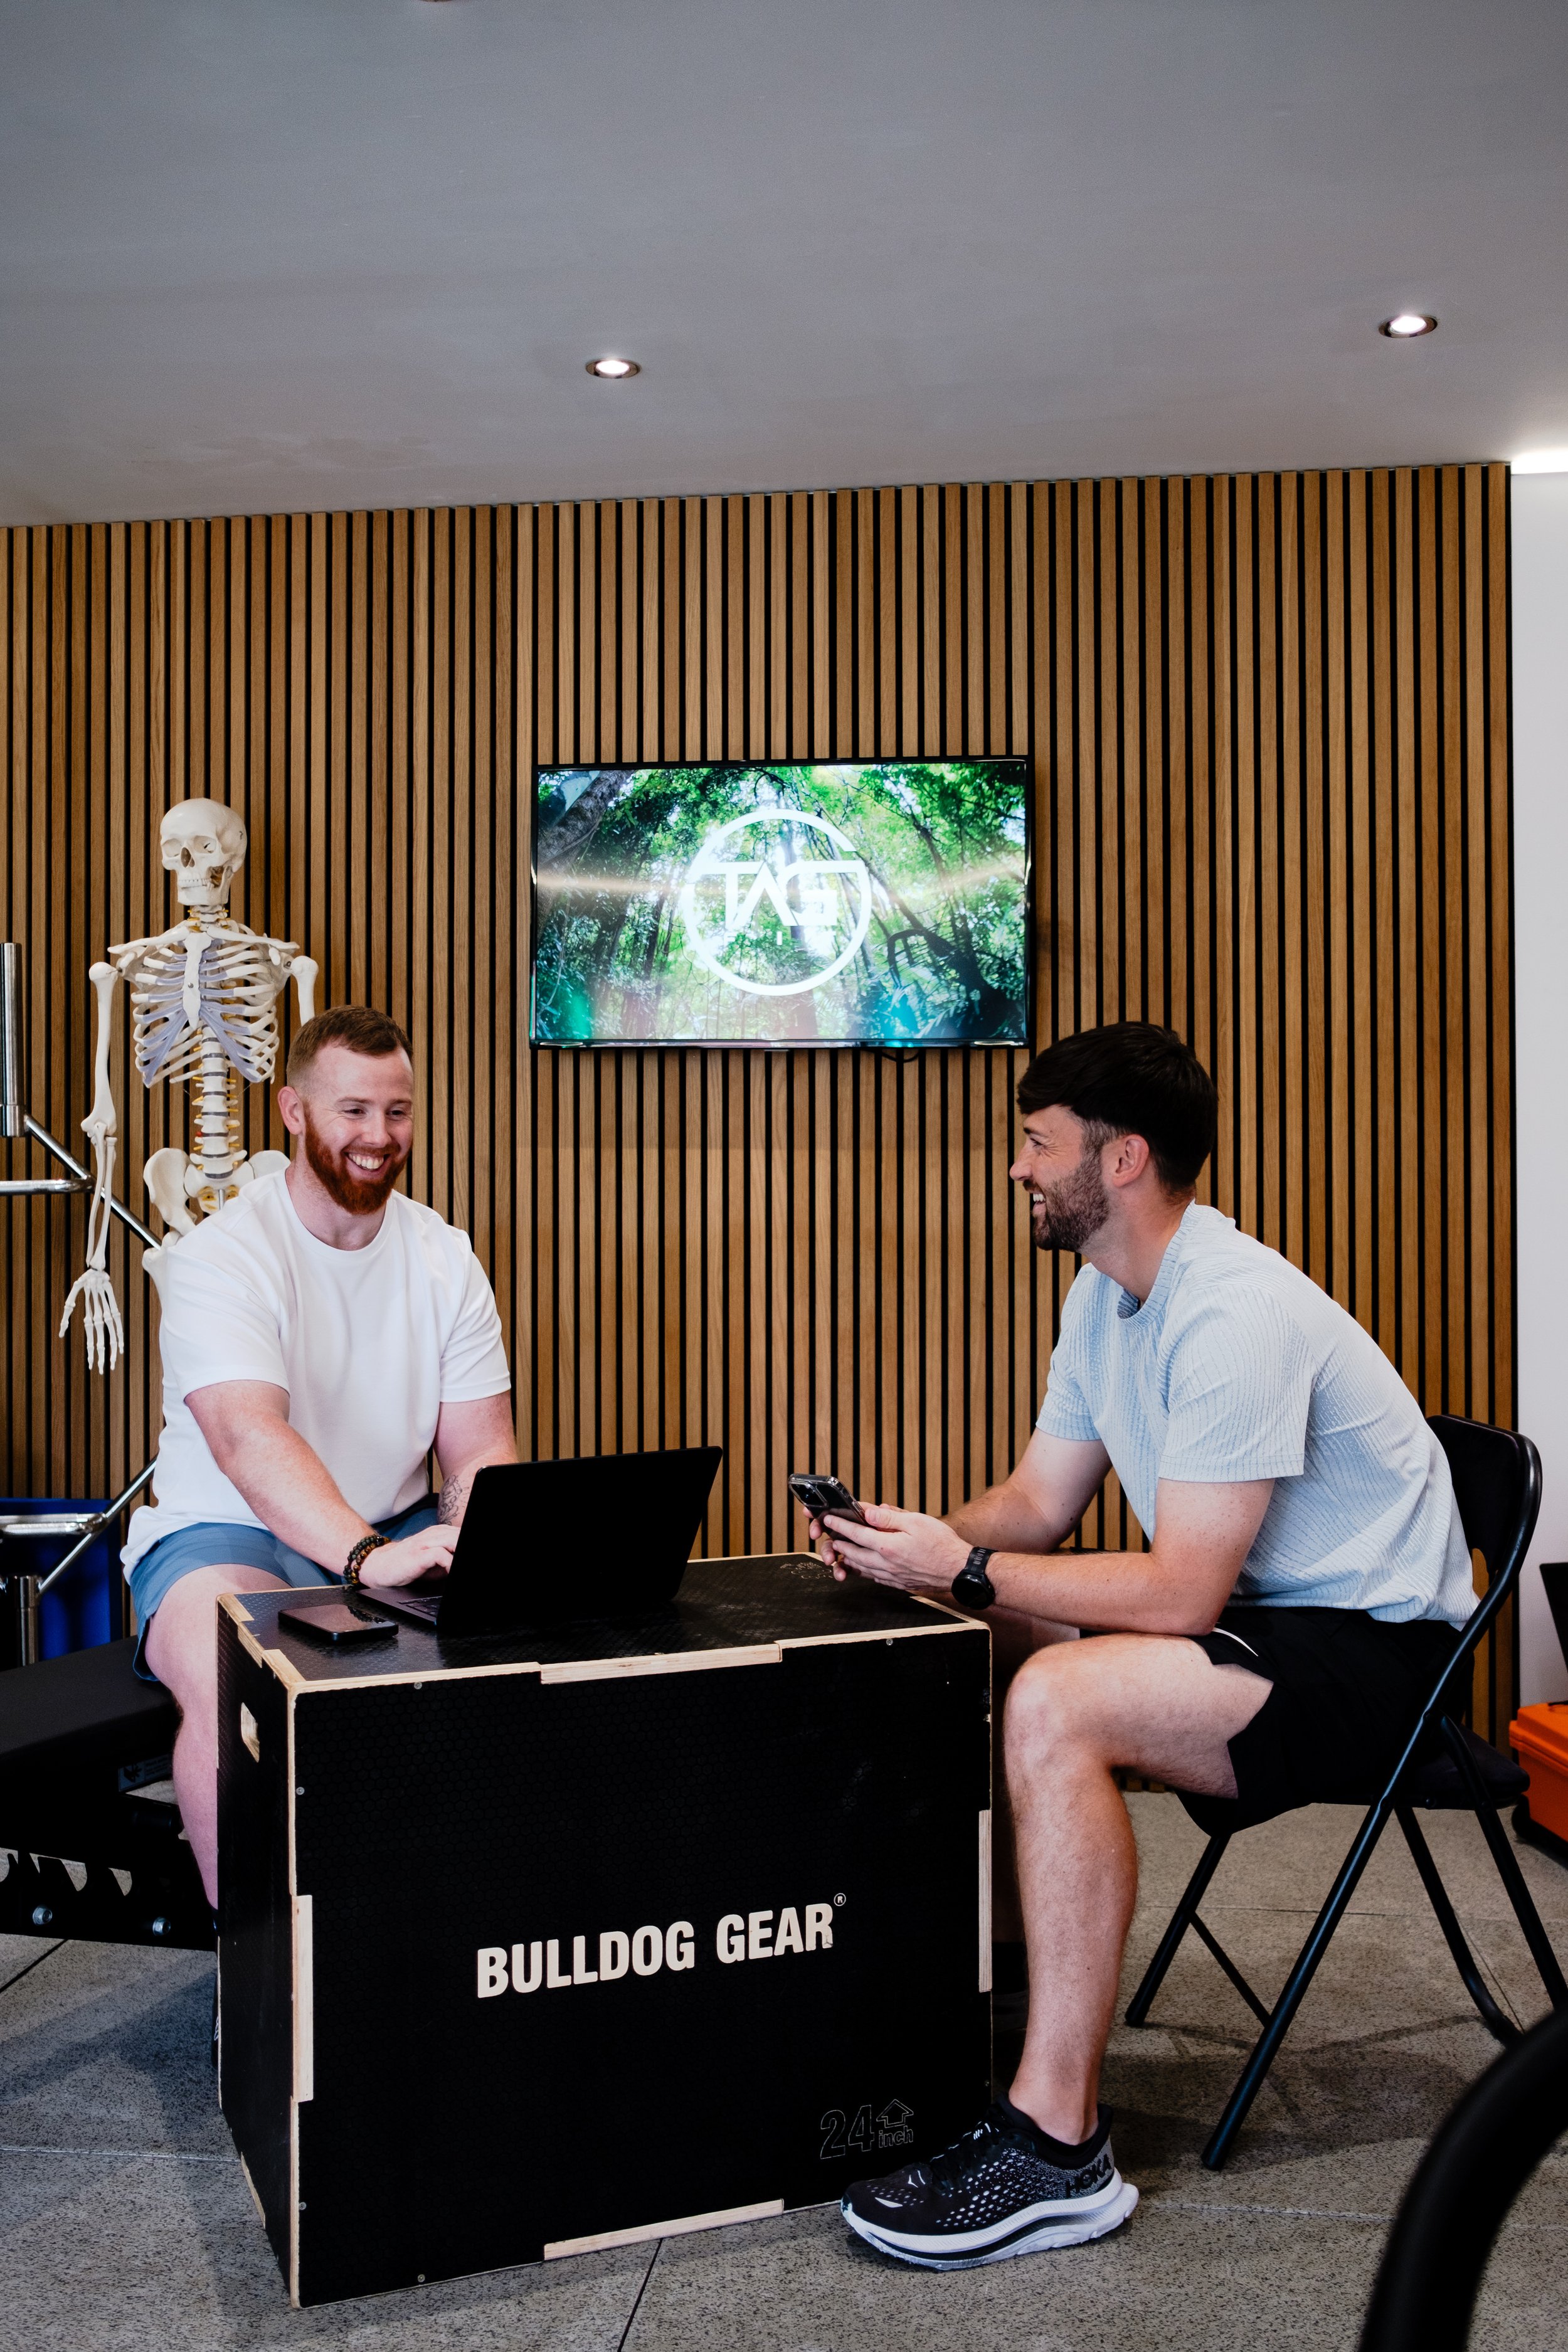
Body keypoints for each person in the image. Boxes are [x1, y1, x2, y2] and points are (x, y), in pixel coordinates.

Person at [809, 1021, 1472, 2270]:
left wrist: (959, 1564)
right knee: (974, 1627)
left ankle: (1058, 2150)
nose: (1017, 1166)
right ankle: (1004, 2012)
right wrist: (911, 1546)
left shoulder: (1234, 1310)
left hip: (1379, 1659)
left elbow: (1179, 1589)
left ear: (1119, 1160)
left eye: (1035, 1142)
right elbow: (1033, 1505)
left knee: (1057, 1695)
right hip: (1270, 1621)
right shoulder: (1104, 1297)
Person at [123, 1005, 517, 1910]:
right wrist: (366, 1557)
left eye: (397, 1111)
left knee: (510, 1656)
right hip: (224, 1531)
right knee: (236, 1679)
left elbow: (479, 1451)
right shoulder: (220, 1256)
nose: (380, 1135)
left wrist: (482, 1551)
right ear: (294, 1112)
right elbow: (248, 1440)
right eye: (354, 1111)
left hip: (392, 1527)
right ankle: (261, 1971)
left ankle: (453, 1933)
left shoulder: (445, 1256)